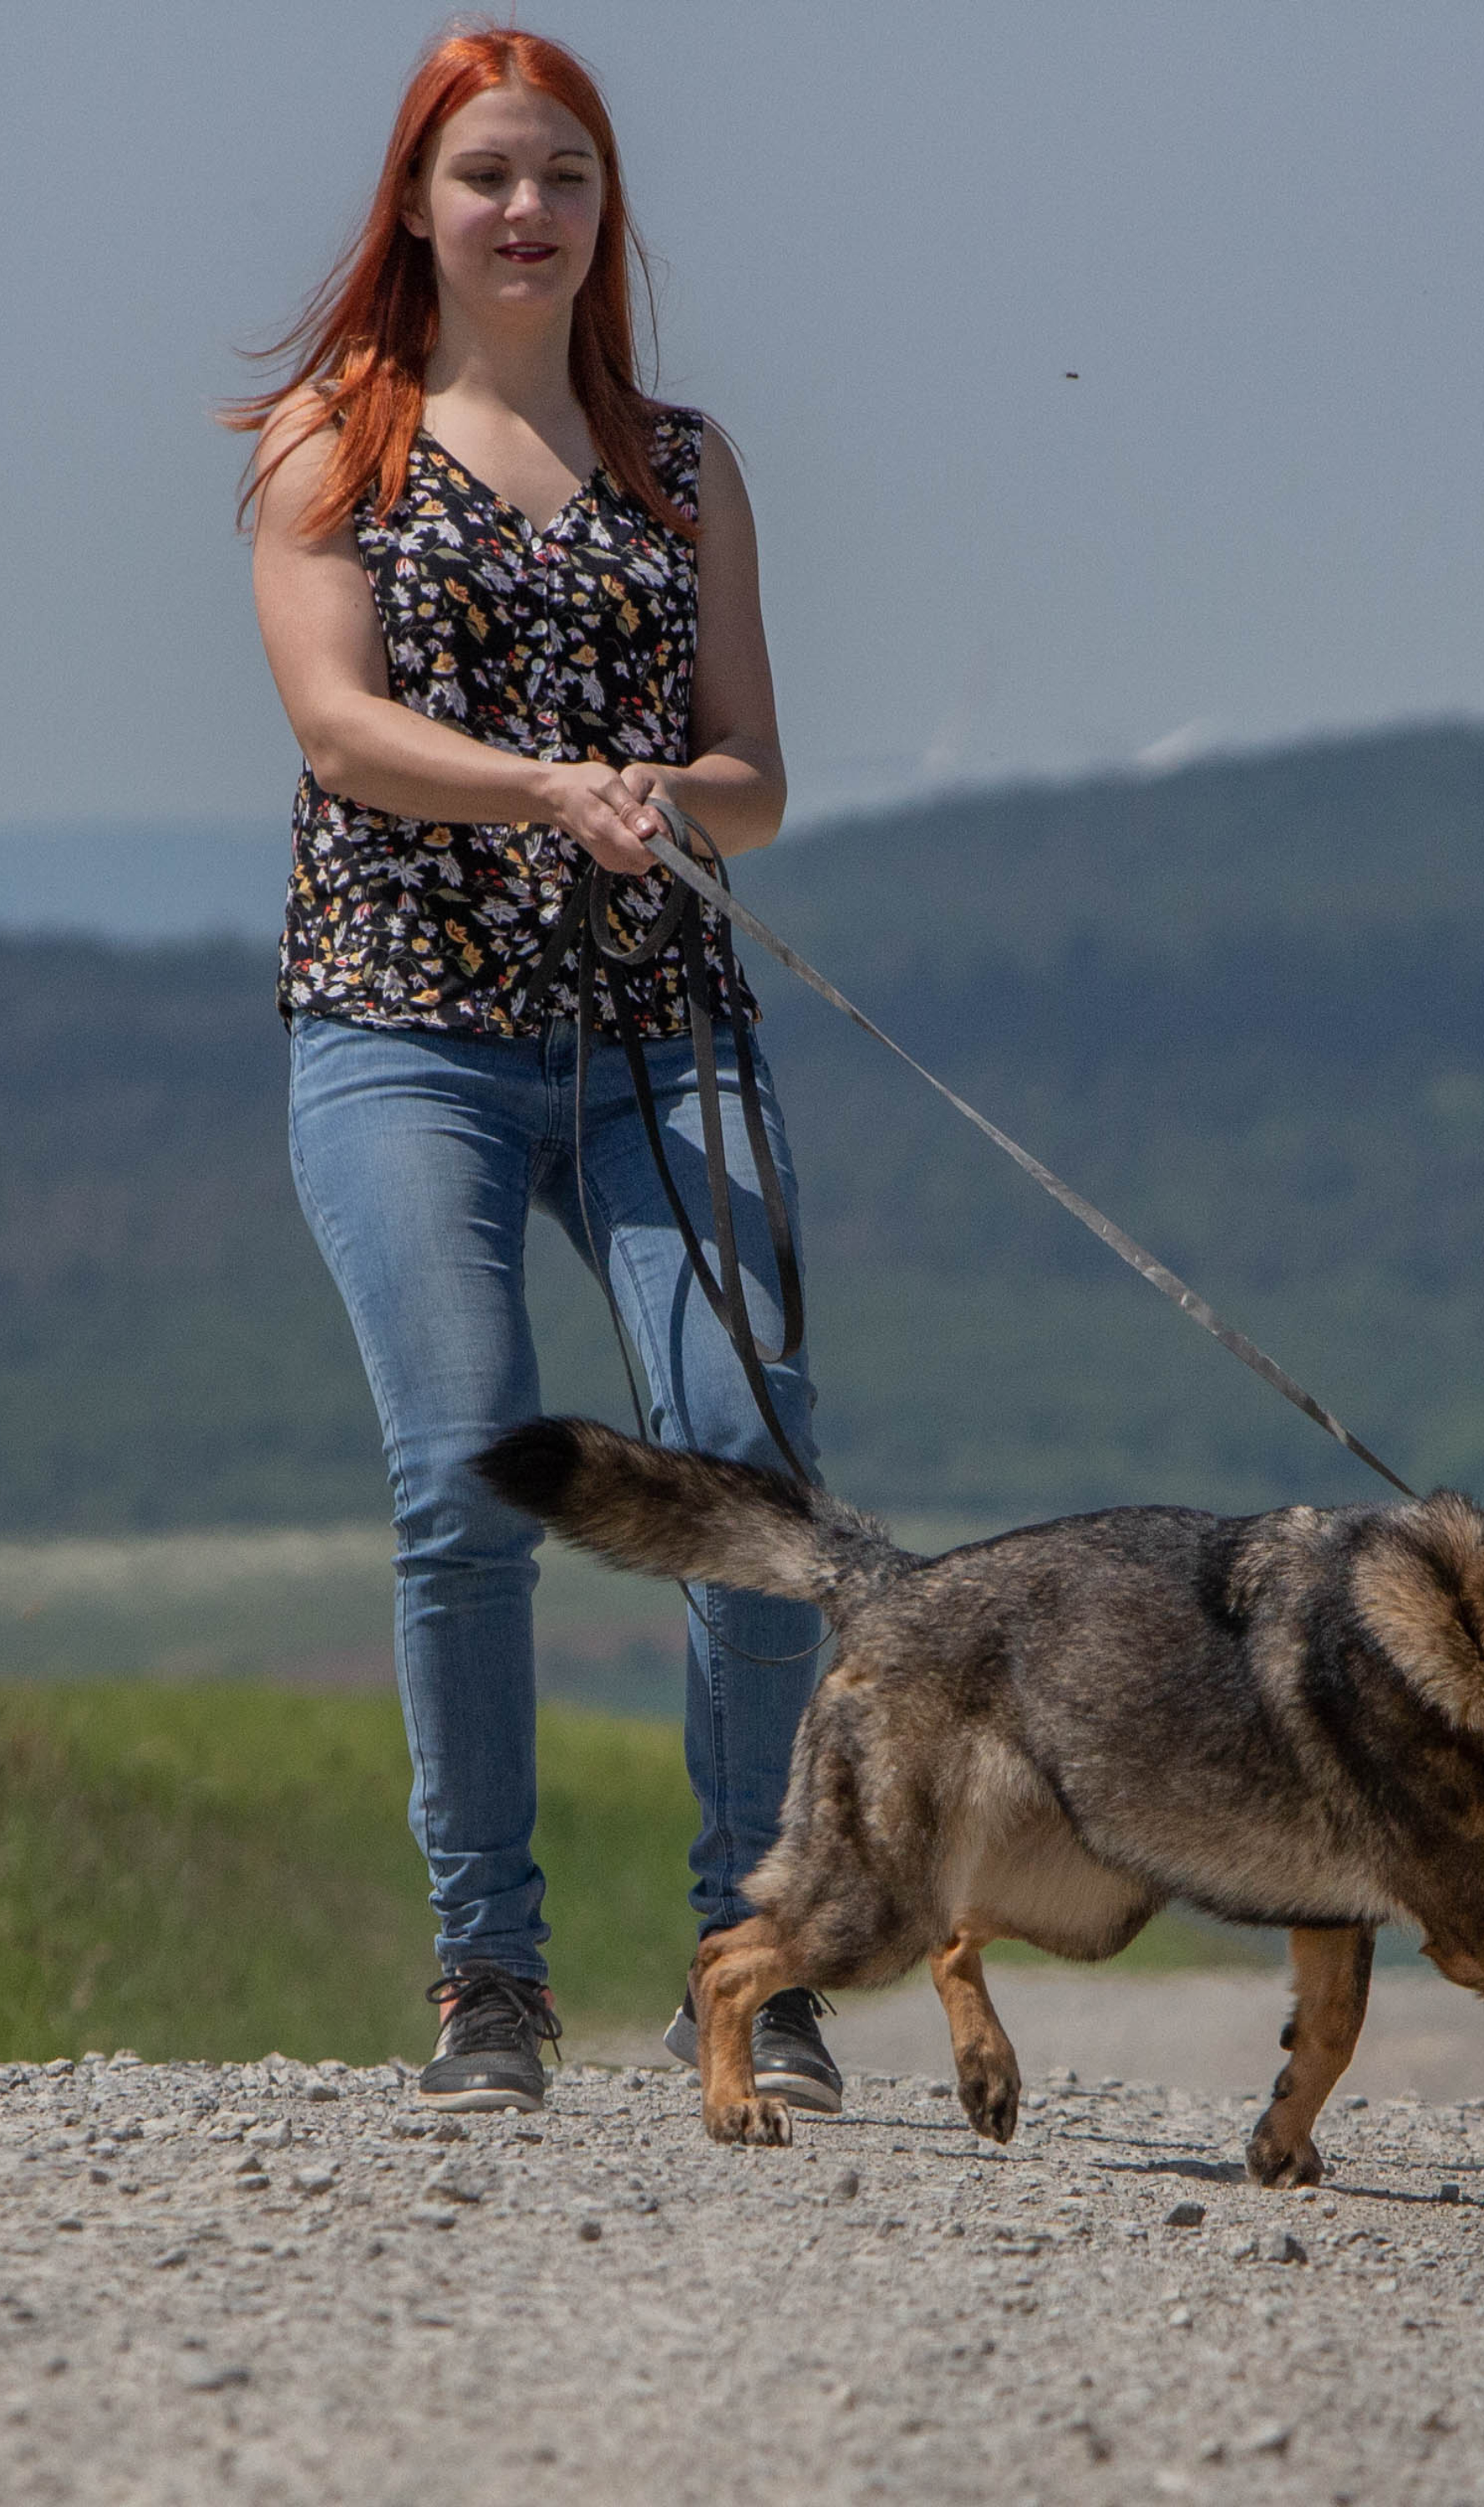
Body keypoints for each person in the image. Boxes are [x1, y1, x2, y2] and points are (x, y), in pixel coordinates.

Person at [235, 25, 841, 2118]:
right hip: (403, 1033)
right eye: (486, 174)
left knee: (744, 1476)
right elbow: (338, 728)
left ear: (607, 215)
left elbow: (758, 779)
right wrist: (541, 787)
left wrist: (668, 797)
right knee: (470, 1467)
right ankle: (486, 1970)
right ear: (416, 204)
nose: (526, 211)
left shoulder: (684, 465)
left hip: (659, 1039)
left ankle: (745, 1954)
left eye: (564, 176)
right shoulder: (336, 440)